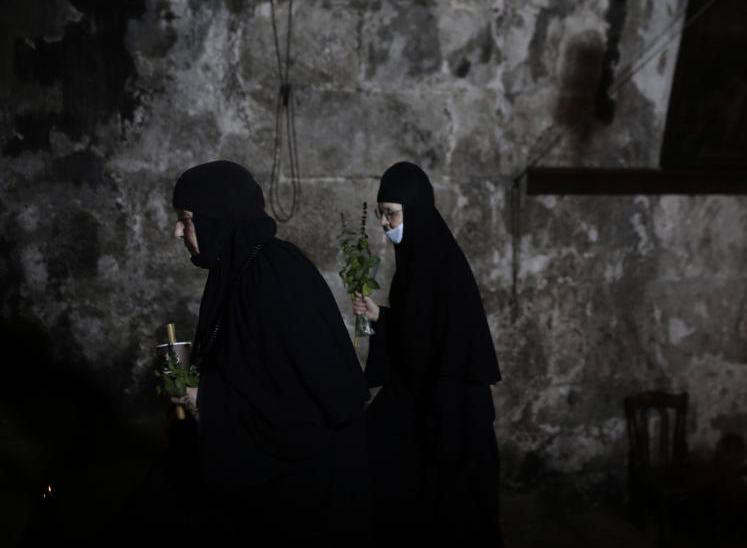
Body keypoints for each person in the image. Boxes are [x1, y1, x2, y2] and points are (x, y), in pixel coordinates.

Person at [169, 160, 371, 544]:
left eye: (186, 219)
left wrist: (206, 400)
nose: (177, 230)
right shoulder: (235, 269)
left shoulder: (274, 274)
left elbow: (304, 399)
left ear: (217, 218)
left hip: (308, 485)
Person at [352, 161, 503, 547]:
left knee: (453, 509)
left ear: (415, 212)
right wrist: (379, 318)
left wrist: (442, 422)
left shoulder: (444, 269)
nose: (384, 223)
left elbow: (450, 346)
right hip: (423, 394)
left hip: (451, 405)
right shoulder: (412, 267)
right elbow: (414, 331)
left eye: (392, 214)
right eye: (382, 213)